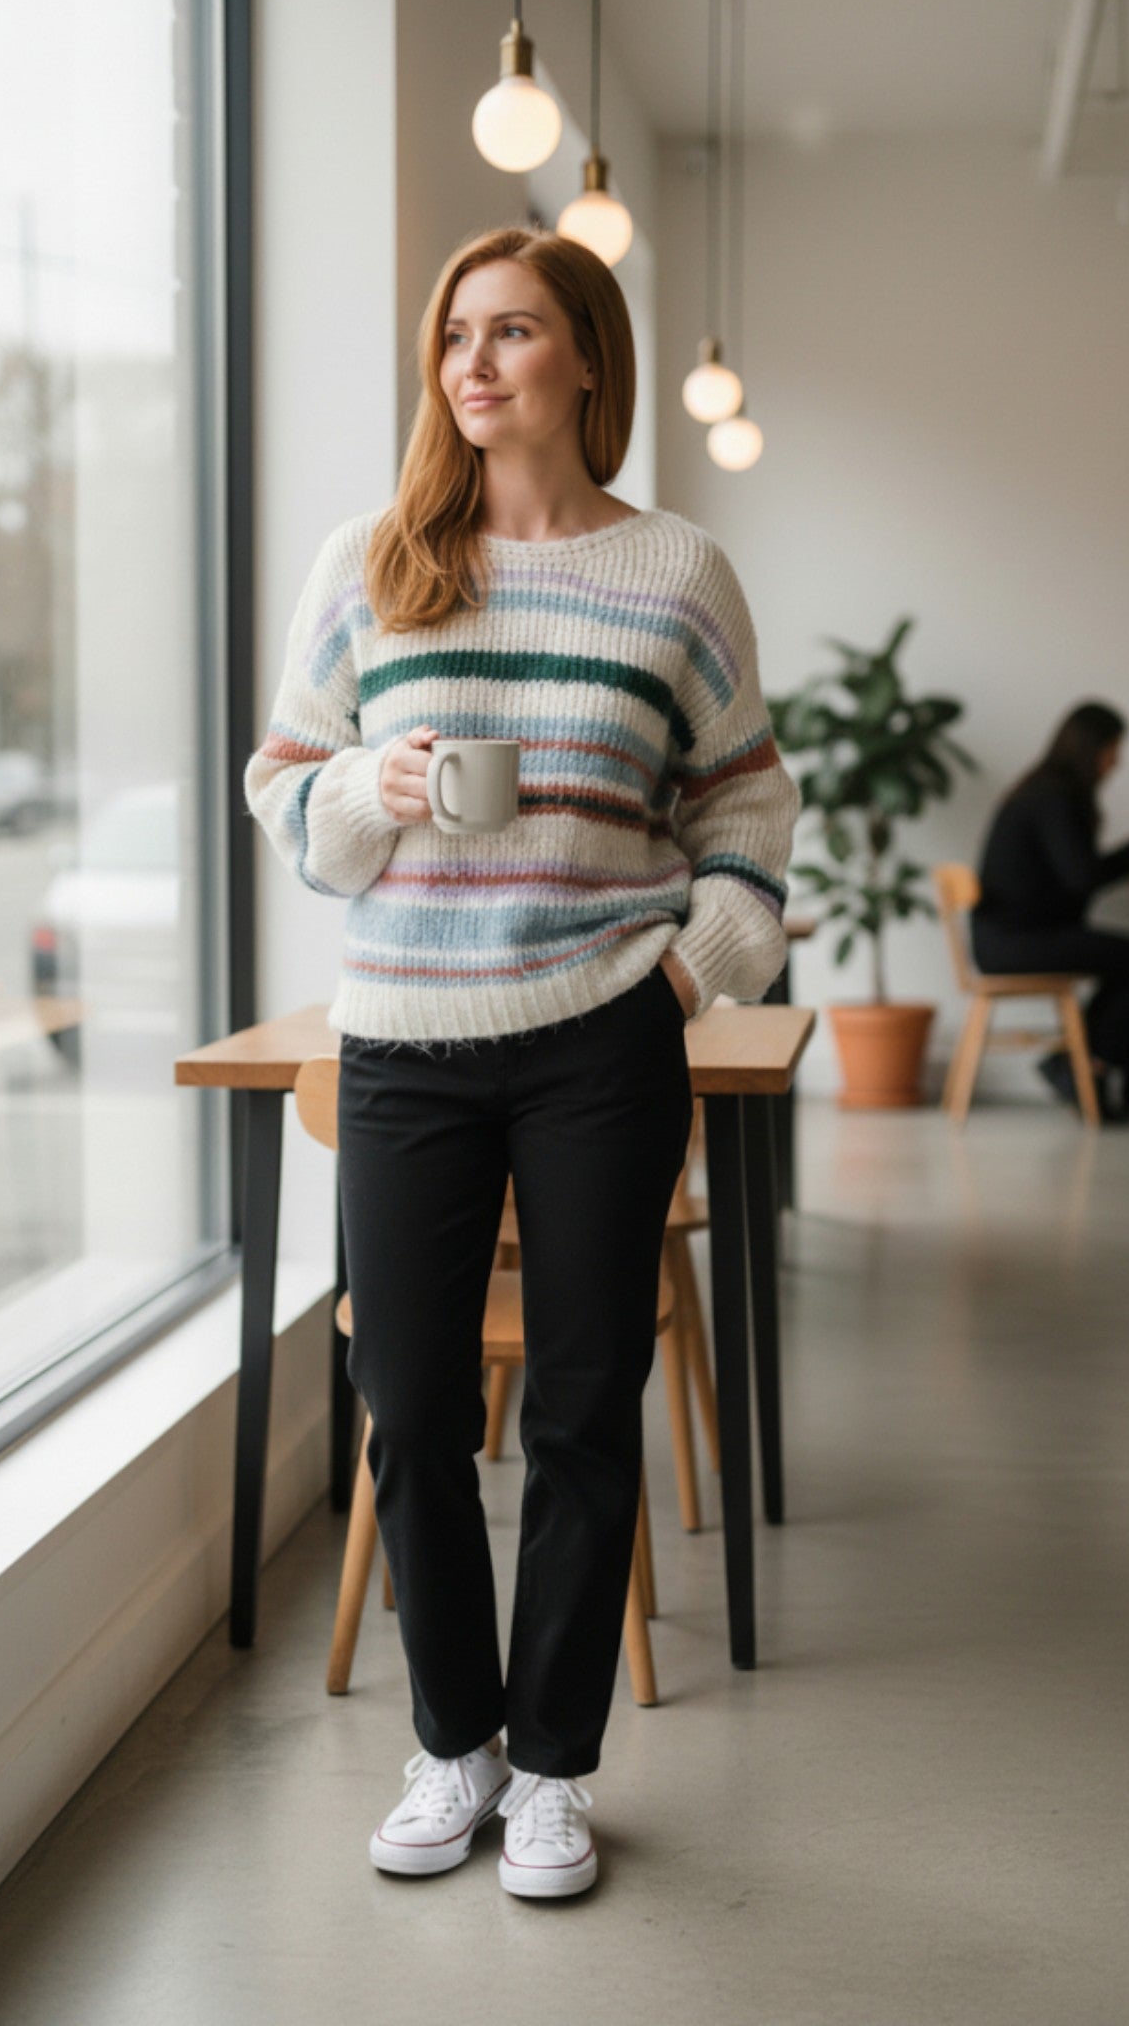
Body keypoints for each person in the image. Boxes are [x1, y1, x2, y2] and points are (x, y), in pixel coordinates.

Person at [244, 227, 796, 1899]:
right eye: (453, 337)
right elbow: (283, 788)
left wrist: (680, 982)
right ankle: (451, 1740)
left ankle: (550, 1763)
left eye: (512, 333)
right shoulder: (372, 562)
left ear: (584, 361)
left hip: (596, 1045)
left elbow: (747, 811)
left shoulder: (679, 574)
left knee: (576, 1405)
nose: (472, 364)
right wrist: (368, 792)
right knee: (408, 1403)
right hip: (405, 1036)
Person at [971, 702, 1129, 1115]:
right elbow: (1082, 877)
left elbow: (1075, 876)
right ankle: (1085, 1066)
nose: (1117, 762)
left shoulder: (1045, 789)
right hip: (1019, 942)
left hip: (1012, 937)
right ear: (1093, 748)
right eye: (1113, 750)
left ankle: (1087, 1067)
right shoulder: (1054, 796)